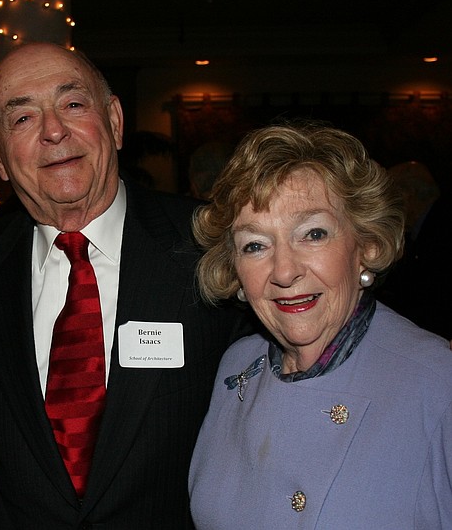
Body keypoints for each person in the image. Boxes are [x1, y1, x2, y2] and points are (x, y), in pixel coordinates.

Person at [0, 42, 250, 528]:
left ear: (114, 121)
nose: (53, 131)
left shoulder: (213, 246)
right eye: (23, 118)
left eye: (73, 104)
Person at [188, 122, 452, 528]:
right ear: (235, 271)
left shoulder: (437, 382)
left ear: (367, 245)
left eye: (313, 234)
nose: (284, 270)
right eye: (255, 245)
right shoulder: (235, 369)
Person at [376, 160, 451, 338]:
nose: (384, 207)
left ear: (408, 194)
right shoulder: (424, 230)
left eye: (389, 196)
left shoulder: (441, 232)